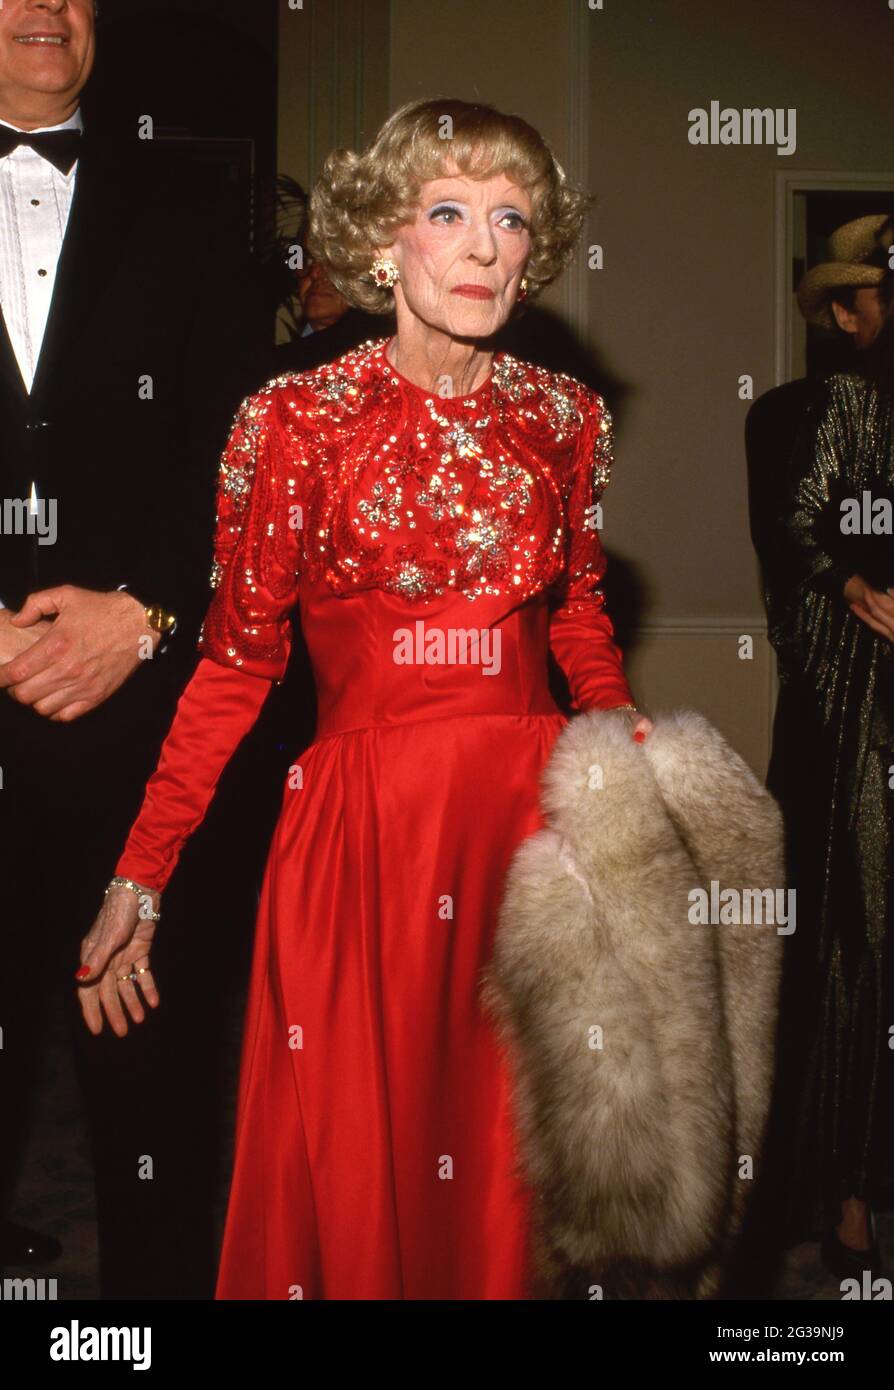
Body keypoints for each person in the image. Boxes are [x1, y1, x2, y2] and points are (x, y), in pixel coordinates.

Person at [75, 96, 652, 1300]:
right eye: (450, 212)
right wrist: (144, 868)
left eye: (512, 219)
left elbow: (583, 615)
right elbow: (236, 664)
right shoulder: (291, 422)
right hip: (366, 840)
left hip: (530, 835)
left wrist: (620, 740)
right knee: (363, 1161)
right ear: (384, 244)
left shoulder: (567, 419)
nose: (487, 246)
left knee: (517, 1168)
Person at [0, 0, 270, 1293]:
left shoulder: (195, 206)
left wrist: (146, 610)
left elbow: (240, 460)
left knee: (147, 1088)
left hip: (138, 737)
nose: (48, 8)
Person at [756, 269, 894, 1282]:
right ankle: (845, 1198)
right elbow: (793, 536)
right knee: (856, 941)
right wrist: (851, 583)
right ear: (844, 314)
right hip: (858, 720)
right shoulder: (798, 418)